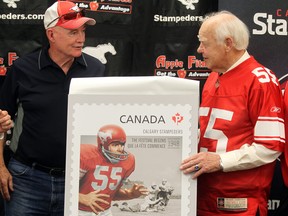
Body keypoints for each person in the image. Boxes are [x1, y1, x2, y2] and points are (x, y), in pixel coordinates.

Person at [0, 1, 105, 215]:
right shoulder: (23, 69)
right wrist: (0, 167)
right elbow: (1, 120)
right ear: (51, 34)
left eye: (83, 31)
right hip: (27, 181)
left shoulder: (96, 69)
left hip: (80, 182)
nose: (81, 39)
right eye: (72, 32)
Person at [180, 11, 284, 216]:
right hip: (201, 196)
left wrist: (219, 161)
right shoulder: (214, 76)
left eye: (204, 43)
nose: (199, 50)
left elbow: (270, 147)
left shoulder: (260, 81)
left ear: (228, 43)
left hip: (237, 204)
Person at [79, 124, 148, 216]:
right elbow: (65, 187)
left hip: (106, 212)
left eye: (122, 144)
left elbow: (112, 195)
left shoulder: (128, 161)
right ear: (103, 145)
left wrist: (131, 194)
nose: (120, 149)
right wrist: (81, 197)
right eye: (115, 145)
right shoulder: (85, 155)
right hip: (80, 211)